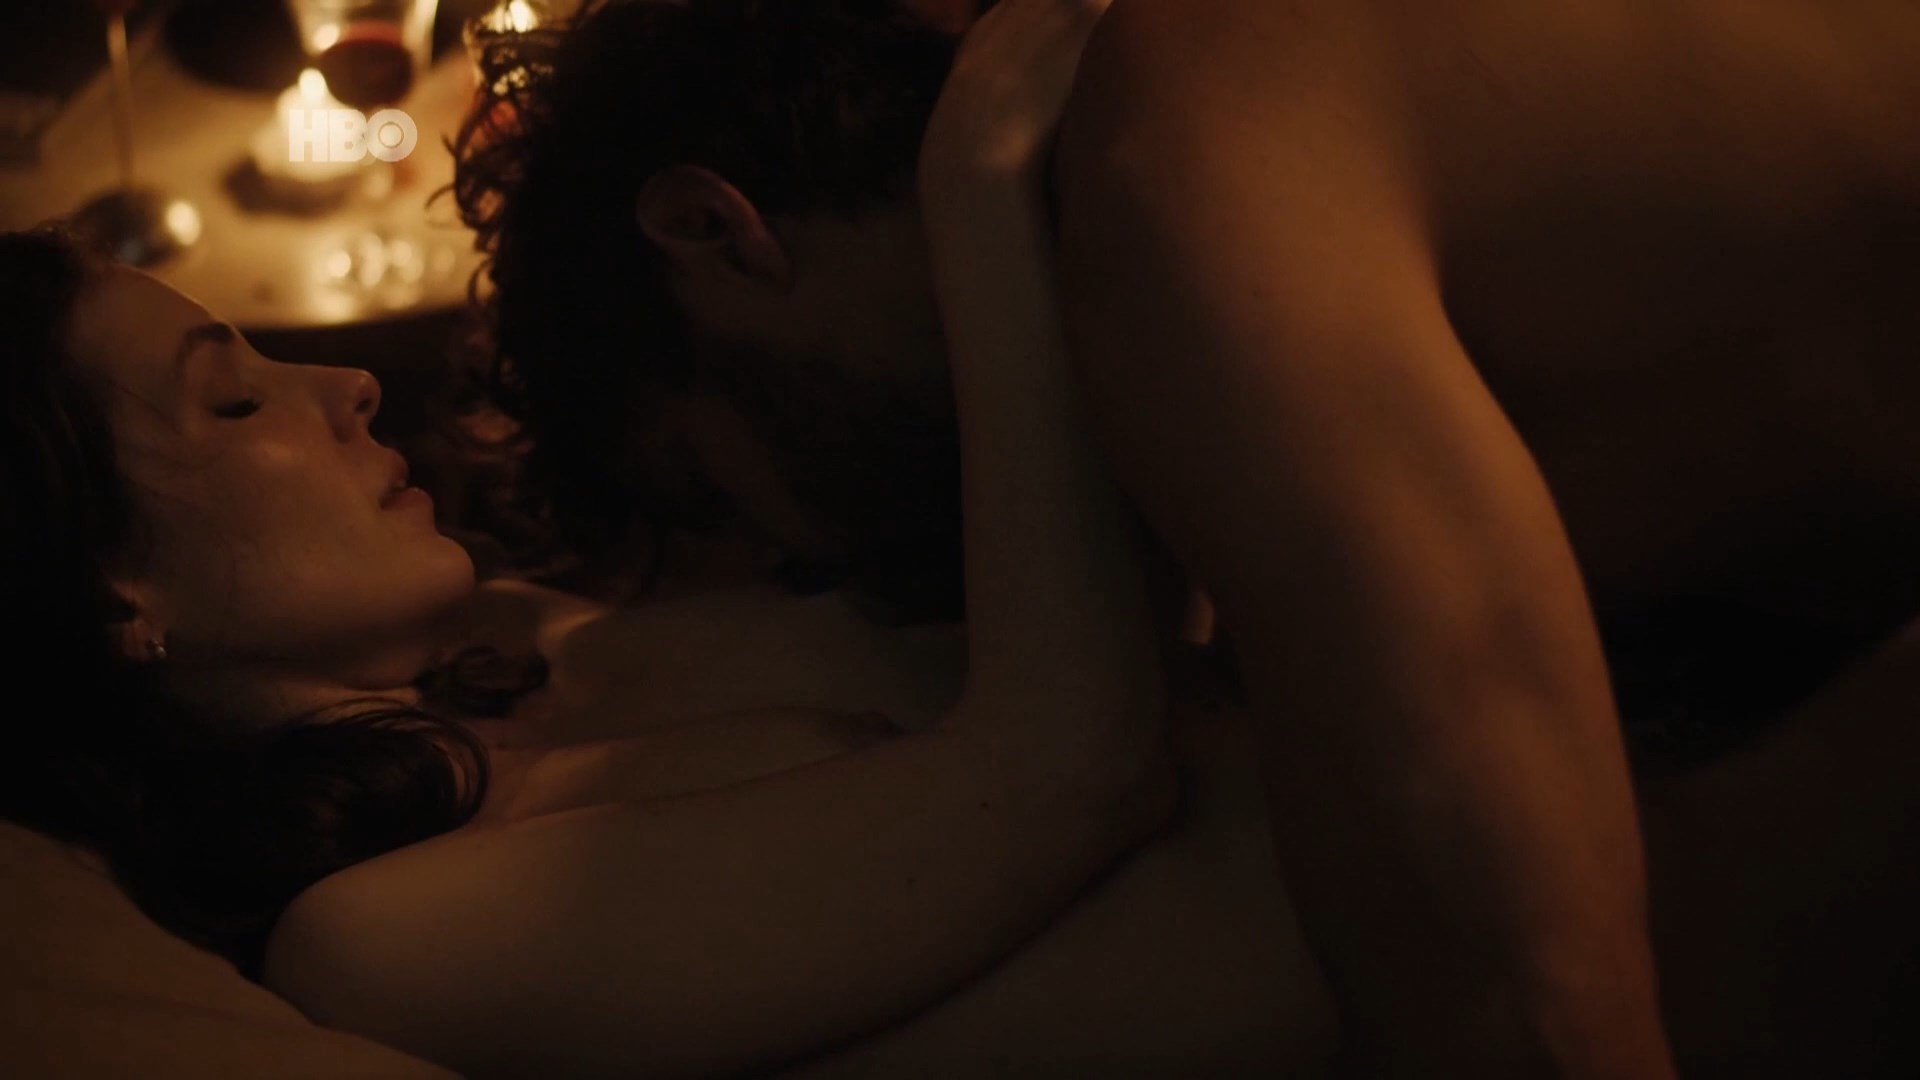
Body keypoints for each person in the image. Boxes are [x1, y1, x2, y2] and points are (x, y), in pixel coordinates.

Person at [452, 0, 1920, 1073]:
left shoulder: (1175, 183)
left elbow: (1534, 1016)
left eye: (714, 491)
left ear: (712, 232)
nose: (822, 565)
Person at [0, 3, 1356, 1075]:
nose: (348, 383)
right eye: (232, 402)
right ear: (115, 594)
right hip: (1396, 963)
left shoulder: (520, 646)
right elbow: (1077, 769)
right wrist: (980, 170)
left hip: (1369, 763)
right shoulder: (376, 939)